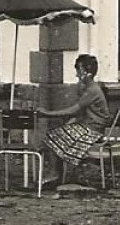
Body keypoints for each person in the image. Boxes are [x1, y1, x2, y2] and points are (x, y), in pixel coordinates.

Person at [38, 54, 113, 185]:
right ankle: (59, 175)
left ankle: (55, 174)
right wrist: (75, 119)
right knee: (57, 135)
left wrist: (48, 113)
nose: (77, 75)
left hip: (93, 130)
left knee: (52, 137)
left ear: (84, 72)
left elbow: (74, 109)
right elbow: (83, 112)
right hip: (90, 126)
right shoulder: (88, 88)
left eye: (78, 71)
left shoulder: (92, 90)